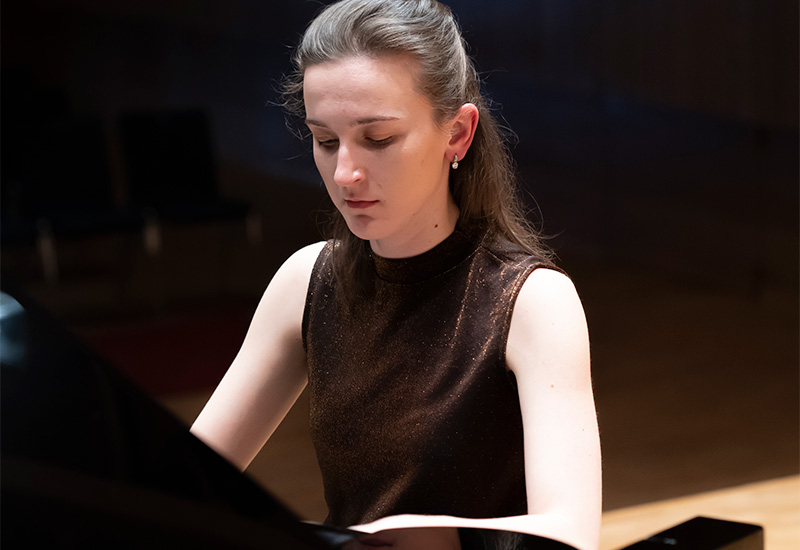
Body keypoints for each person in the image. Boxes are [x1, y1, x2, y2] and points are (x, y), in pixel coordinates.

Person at [190, 1, 601, 549]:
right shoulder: (305, 280)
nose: (345, 173)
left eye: (378, 139)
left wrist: (394, 539)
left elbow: (570, 534)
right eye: (325, 140)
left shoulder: (533, 302)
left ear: (458, 134)